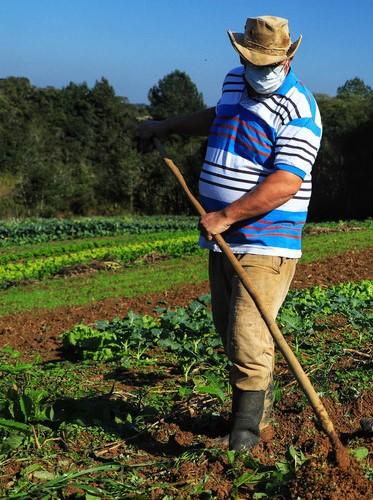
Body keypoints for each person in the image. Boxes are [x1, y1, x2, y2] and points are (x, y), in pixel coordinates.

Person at [136, 15, 322, 451]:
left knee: (247, 332)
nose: (260, 70)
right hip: (225, 236)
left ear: (288, 59)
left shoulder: (300, 109)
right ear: (241, 55)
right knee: (230, 330)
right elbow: (216, 116)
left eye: (268, 63)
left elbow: (286, 182)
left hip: (265, 237)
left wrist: (228, 215)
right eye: (253, 61)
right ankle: (261, 412)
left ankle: (245, 437)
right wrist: (167, 126)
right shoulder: (235, 82)